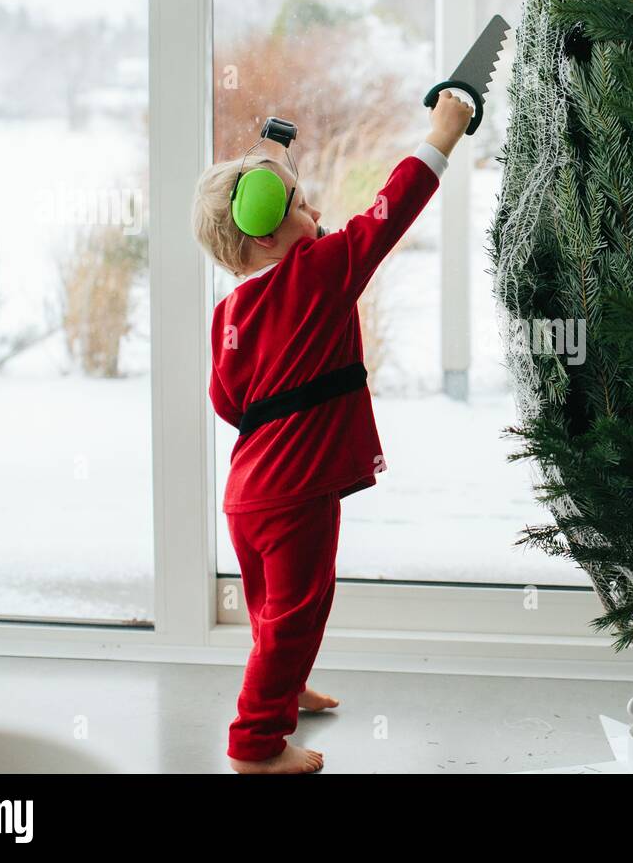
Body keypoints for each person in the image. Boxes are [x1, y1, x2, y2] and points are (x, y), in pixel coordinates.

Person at [191, 92, 474, 773]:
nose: (319, 214)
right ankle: (255, 745)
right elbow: (387, 215)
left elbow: (227, 401)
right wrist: (442, 136)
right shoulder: (316, 276)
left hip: (247, 493)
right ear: (265, 233)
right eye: (302, 208)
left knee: (273, 610)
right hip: (294, 493)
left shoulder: (231, 309)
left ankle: (283, 688)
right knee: (297, 610)